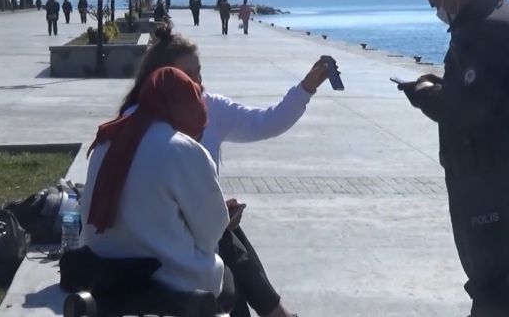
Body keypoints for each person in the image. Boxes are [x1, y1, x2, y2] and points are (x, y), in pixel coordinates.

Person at [119, 28, 329, 317]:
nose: (197, 82)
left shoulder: (209, 107)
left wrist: (305, 88)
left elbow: (266, 122)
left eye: (199, 71)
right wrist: (215, 218)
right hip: (158, 241)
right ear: (163, 77)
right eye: (188, 74)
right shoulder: (144, 124)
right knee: (225, 244)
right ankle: (277, 312)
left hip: (196, 233)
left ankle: (274, 311)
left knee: (228, 239)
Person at [398, 0, 509, 317]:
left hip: (488, 179)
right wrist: (446, 85)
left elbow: (466, 111)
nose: (439, 12)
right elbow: (491, 92)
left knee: (490, 283)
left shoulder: (481, 30)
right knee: (505, 269)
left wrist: (423, 94)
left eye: (437, 3)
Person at [80, 66, 234, 312]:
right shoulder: (184, 150)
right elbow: (210, 236)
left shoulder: (107, 139)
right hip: (167, 283)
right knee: (229, 279)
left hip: (101, 272)